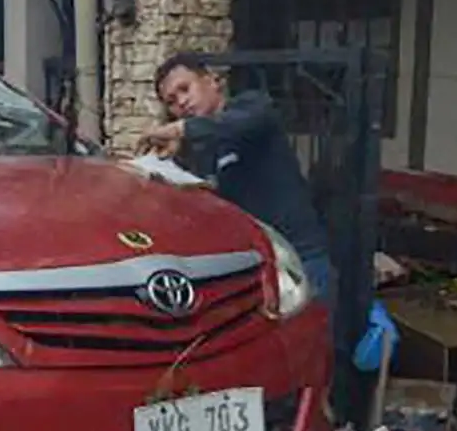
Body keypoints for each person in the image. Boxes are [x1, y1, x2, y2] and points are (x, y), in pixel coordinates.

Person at [139, 53, 334, 310]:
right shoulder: (200, 149)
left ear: (213, 80)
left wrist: (179, 130)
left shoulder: (253, 107)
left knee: (312, 342)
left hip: (301, 257)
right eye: (172, 102)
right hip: (254, 267)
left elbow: (230, 126)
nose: (182, 103)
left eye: (185, 89)